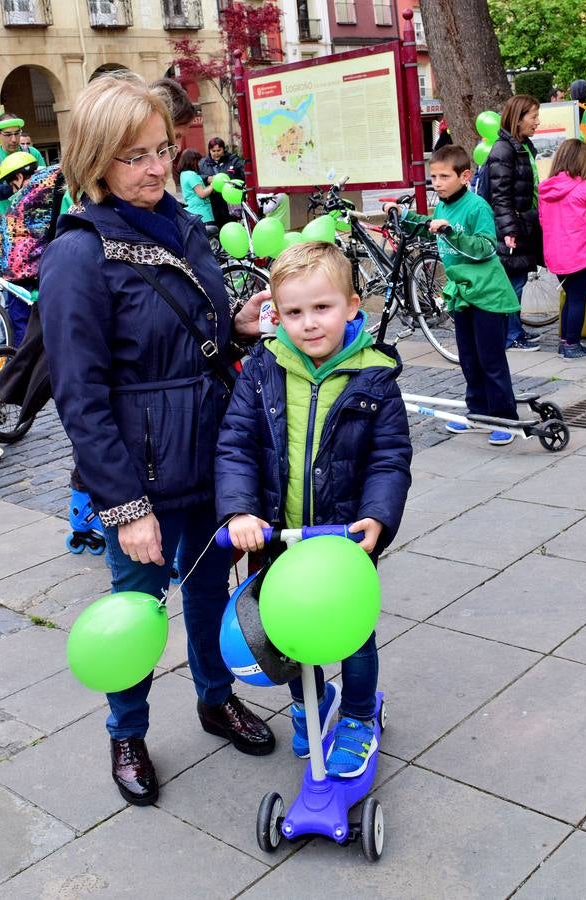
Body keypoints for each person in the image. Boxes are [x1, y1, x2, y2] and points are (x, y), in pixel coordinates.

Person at [38, 74, 275, 807]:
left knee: (209, 590)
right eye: (133, 155)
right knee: (135, 608)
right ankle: (126, 730)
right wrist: (125, 506)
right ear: (95, 160)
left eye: (161, 149)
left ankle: (214, 697)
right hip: (139, 474)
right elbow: (79, 396)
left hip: (212, 450)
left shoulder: (182, 221)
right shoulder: (79, 254)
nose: (155, 168)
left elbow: (189, 325)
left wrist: (230, 323)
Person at [214, 241, 412, 777]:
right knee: (288, 631)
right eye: (294, 312)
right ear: (276, 315)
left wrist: (378, 516)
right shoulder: (262, 368)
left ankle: (356, 715)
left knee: (352, 635)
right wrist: (238, 512)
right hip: (277, 538)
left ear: (352, 306)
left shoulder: (375, 377)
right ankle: (308, 703)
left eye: (322, 308)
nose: (308, 324)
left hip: (343, 538)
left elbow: (390, 459)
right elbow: (235, 444)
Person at [385, 145, 521, 446]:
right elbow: (427, 229)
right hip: (461, 294)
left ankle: (505, 418)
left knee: (491, 359)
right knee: (469, 359)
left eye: (444, 176)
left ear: (465, 176)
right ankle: (478, 413)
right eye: (433, 176)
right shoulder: (443, 206)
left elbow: (485, 247)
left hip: (488, 295)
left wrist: (451, 233)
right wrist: (404, 215)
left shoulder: (476, 207)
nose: (437, 182)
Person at [539, 139, 586, 360]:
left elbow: (542, 221)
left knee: (570, 296)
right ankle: (572, 345)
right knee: (577, 299)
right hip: (581, 252)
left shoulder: (545, 189)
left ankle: (564, 342)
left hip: (556, 254)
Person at [487, 93, 542, 352]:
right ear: (518, 119)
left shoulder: (522, 145)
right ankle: (511, 335)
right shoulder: (503, 150)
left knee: (518, 278)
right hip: (513, 227)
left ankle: (514, 328)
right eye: (533, 116)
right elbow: (500, 195)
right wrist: (509, 229)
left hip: (523, 223)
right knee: (514, 282)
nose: (537, 122)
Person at [0, 152, 41, 345]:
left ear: (18, 177)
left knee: (21, 334)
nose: (11, 189)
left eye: (11, 183)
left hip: (23, 282)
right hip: (47, 274)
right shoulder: (52, 191)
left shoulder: (23, 205)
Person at [199, 137, 245, 229]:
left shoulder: (233, 160)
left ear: (224, 149)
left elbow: (243, 175)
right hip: (212, 201)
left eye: (219, 150)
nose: (216, 153)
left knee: (232, 227)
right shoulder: (203, 163)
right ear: (209, 151)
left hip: (230, 201)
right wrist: (206, 178)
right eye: (213, 151)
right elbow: (197, 176)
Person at [176, 148, 214, 223]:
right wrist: (213, 184)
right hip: (202, 214)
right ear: (192, 161)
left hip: (194, 213)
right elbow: (202, 194)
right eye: (198, 161)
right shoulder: (191, 174)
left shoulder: (183, 174)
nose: (199, 164)